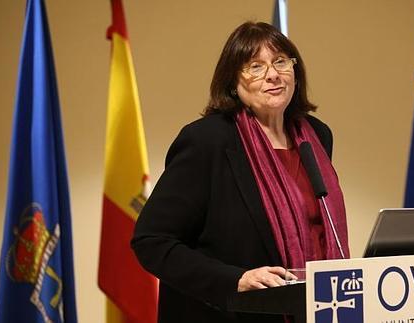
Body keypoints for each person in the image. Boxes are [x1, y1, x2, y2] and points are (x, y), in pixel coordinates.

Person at [131, 21, 350, 323]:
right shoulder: (207, 141)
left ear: (295, 72)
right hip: (229, 314)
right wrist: (237, 280)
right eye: (255, 67)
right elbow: (152, 241)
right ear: (233, 83)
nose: (272, 74)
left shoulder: (316, 136)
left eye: (280, 62)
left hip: (317, 309)